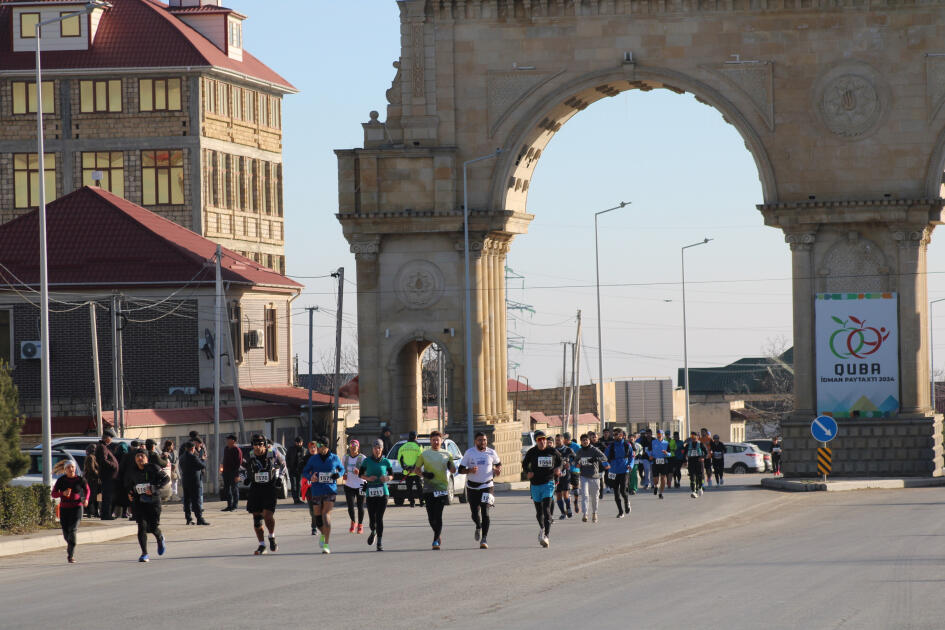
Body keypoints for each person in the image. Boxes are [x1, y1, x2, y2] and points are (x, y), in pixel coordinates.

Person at [300, 435, 344, 554]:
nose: (317, 447)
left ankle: (326, 544)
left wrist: (338, 475)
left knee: (326, 515)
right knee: (318, 519)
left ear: (325, 446)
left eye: (319, 445)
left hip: (330, 490)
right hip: (317, 490)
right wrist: (311, 476)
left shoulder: (334, 458)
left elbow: (342, 469)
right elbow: (304, 472)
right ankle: (323, 535)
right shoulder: (313, 459)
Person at [412, 430, 455, 550]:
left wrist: (450, 466)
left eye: (438, 440)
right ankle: (437, 534)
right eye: (433, 440)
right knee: (431, 517)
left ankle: (435, 539)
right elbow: (416, 470)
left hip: (441, 488)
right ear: (430, 441)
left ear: (441, 441)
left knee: (438, 515)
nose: (436, 442)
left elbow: (453, 470)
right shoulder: (424, 454)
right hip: (428, 488)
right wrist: (425, 475)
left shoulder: (447, 454)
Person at [458, 431, 502, 550]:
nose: (483, 442)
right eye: (480, 440)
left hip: (487, 485)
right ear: (475, 441)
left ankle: (484, 538)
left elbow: (498, 464)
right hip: (472, 487)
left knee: (485, 511)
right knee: (474, 513)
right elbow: (460, 469)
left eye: (484, 440)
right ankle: (478, 526)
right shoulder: (469, 453)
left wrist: (498, 470)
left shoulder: (491, 452)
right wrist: (469, 471)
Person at [125, 450, 170, 562]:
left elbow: (166, 479)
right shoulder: (132, 471)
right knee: (142, 527)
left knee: (153, 527)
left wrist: (154, 488)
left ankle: (160, 538)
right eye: (137, 456)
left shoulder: (153, 467)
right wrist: (130, 493)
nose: (140, 458)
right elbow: (129, 485)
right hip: (139, 502)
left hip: (153, 502)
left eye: (142, 456)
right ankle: (144, 553)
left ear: (147, 458)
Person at [244, 434, 286, 555]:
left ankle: (272, 537)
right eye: (255, 444)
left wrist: (280, 478)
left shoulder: (272, 453)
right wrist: (245, 477)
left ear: (265, 444)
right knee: (257, 520)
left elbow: (283, 465)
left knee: (267, 515)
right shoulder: (250, 455)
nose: (257, 447)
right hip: (256, 488)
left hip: (269, 487)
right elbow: (241, 468)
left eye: (260, 444)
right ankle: (262, 545)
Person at [521, 430, 562, 547]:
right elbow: (524, 464)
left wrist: (558, 468)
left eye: (544, 439)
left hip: (548, 483)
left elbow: (560, 462)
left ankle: (546, 536)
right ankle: (542, 528)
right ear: (536, 441)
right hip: (535, 484)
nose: (543, 441)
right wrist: (528, 472)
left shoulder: (552, 451)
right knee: (539, 512)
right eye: (539, 439)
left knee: (546, 509)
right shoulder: (532, 452)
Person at [51, 460, 90, 563]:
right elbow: (53, 494)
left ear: (75, 468)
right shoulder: (61, 480)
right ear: (65, 470)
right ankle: (71, 545)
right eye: (68, 467)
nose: (71, 469)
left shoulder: (80, 479)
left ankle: (70, 555)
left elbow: (87, 490)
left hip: (77, 507)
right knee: (66, 532)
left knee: (72, 530)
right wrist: (62, 493)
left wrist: (86, 499)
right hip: (64, 508)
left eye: (72, 467)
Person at [359, 439, 394, 551]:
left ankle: (379, 542)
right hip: (370, 493)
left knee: (379, 518)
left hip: (383, 493)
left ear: (382, 449)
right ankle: (373, 531)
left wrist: (387, 478)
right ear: (372, 449)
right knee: (371, 520)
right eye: (375, 448)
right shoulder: (367, 461)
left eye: (379, 448)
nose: (377, 450)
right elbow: (360, 474)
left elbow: (392, 475)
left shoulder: (386, 462)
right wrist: (368, 478)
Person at [575, 433, 608, 523]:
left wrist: (596, 459)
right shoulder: (580, 451)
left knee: (594, 496)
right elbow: (576, 461)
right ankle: (585, 514)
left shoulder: (594, 450)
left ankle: (594, 513)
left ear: (589, 441)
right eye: (583, 440)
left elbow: (604, 457)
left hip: (594, 476)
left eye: (586, 440)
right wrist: (577, 464)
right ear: (581, 442)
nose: (585, 441)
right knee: (585, 495)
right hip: (584, 476)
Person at [179, 442, 209, 526]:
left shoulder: (182, 457)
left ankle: (188, 519)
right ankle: (199, 518)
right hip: (194, 482)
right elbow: (202, 465)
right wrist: (202, 459)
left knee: (187, 501)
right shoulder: (193, 457)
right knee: (196, 500)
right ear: (193, 448)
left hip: (185, 481)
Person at [606, 428, 634, 518]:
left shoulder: (627, 445)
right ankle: (620, 512)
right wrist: (605, 464)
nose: (615, 436)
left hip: (624, 470)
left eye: (617, 434)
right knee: (616, 493)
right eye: (614, 434)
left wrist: (631, 465)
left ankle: (626, 502)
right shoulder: (611, 446)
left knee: (622, 490)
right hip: (613, 471)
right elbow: (604, 457)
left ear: (621, 435)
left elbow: (631, 457)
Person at [342, 439, 366, 534]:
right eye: (351, 447)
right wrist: (343, 474)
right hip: (349, 484)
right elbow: (341, 468)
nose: (353, 449)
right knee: (350, 506)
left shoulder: (363, 458)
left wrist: (360, 472)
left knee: (360, 506)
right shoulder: (345, 457)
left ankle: (360, 525)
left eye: (355, 447)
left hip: (361, 484)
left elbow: (367, 471)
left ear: (358, 447)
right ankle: (353, 522)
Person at [94, 429, 119, 519]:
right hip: (107, 476)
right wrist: (113, 465)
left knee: (107, 496)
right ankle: (105, 515)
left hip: (108, 476)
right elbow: (103, 461)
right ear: (107, 438)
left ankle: (106, 514)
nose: (111, 440)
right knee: (107, 496)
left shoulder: (103, 446)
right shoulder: (102, 447)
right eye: (111, 438)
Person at [398, 431, 424, 508]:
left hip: (407, 472)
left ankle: (412, 502)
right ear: (416, 437)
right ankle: (421, 502)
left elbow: (400, 459)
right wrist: (414, 467)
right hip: (416, 471)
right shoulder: (419, 446)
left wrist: (406, 467)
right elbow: (420, 458)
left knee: (409, 488)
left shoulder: (403, 446)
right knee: (419, 487)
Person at [553, 434, 575, 519]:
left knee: (565, 494)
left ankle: (568, 508)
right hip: (556, 476)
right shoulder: (553, 450)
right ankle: (563, 513)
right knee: (558, 495)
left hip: (566, 475)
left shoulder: (568, 450)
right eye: (556, 440)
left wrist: (570, 464)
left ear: (563, 440)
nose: (557, 442)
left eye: (559, 440)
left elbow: (576, 458)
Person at [648, 429, 672, 499]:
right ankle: (656, 486)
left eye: (660, 435)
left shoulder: (666, 443)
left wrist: (666, 453)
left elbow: (670, 454)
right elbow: (648, 450)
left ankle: (661, 493)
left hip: (664, 462)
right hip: (655, 461)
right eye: (658, 434)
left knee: (663, 478)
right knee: (655, 479)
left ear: (663, 435)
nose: (659, 436)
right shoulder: (653, 442)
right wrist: (650, 456)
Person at [221, 435, 243, 512]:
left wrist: (236, 474)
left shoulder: (237, 450)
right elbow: (224, 459)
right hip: (226, 472)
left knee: (234, 489)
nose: (227, 441)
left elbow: (239, 463)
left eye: (229, 439)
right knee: (227, 489)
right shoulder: (226, 448)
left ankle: (235, 505)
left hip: (234, 472)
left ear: (233, 441)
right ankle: (229, 505)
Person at [684, 431, 707, 498]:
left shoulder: (701, 444)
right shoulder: (688, 445)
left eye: (695, 436)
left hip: (699, 462)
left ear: (698, 437)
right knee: (692, 477)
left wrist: (703, 457)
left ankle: (700, 488)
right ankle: (693, 492)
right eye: (692, 436)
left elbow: (706, 453)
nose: (693, 437)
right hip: (691, 462)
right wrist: (685, 461)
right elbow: (684, 453)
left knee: (699, 476)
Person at [286, 436, 306, 505]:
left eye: (300, 442)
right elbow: (287, 458)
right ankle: (295, 499)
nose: (299, 444)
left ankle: (298, 499)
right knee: (293, 485)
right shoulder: (291, 449)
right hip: (292, 470)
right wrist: (289, 466)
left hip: (300, 470)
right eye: (298, 442)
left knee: (298, 485)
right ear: (295, 443)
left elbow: (304, 459)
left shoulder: (304, 450)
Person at [83, 444, 101, 519]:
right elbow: (91, 469)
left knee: (96, 497)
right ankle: (90, 512)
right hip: (92, 480)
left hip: (94, 480)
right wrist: (99, 474)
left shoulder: (93, 457)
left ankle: (95, 512)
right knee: (92, 497)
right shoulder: (90, 457)